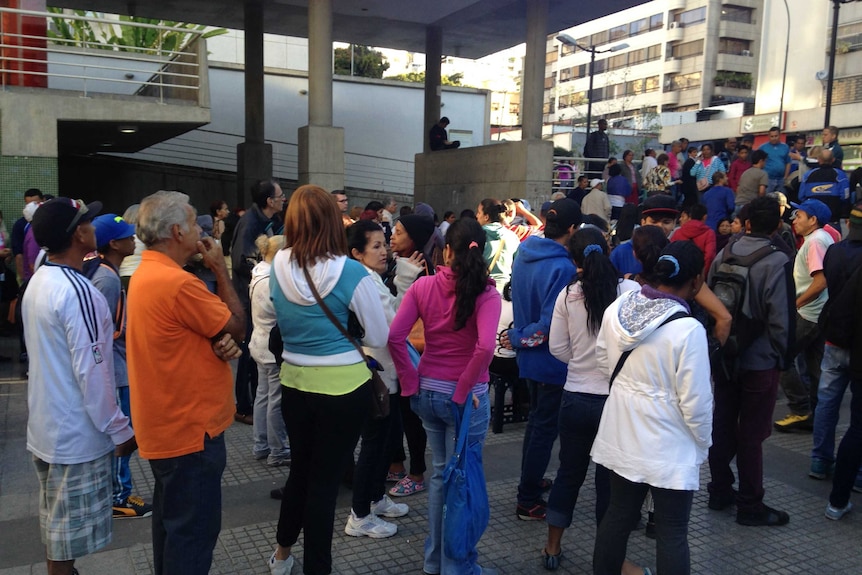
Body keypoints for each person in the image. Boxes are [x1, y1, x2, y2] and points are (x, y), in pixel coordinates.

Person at [266, 185, 388, 575]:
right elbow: (378, 337)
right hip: (343, 389)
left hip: (294, 384)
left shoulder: (278, 264)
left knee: (300, 470)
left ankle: (282, 556)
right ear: (333, 222)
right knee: (324, 482)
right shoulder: (352, 272)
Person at [127, 191, 244, 575]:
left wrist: (217, 341)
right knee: (192, 537)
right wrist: (220, 269)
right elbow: (237, 324)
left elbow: (197, 334)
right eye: (195, 224)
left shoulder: (148, 273)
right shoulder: (180, 284)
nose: (201, 231)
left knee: (172, 530)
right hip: (192, 433)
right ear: (177, 232)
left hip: (167, 428)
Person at [25, 198, 138, 575]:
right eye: (87, 221)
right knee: (64, 544)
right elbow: (94, 370)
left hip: (47, 426)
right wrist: (119, 428)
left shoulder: (40, 278)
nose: (94, 226)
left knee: (57, 533)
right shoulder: (80, 291)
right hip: (75, 435)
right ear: (78, 234)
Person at [388, 217, 502, 575]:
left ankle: (434, 562)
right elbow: (485, 348)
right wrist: (465, 390)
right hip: (466, 401)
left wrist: (409, 382)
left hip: (427, 393)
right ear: (481, 251)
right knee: (462, 480)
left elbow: (394, 338)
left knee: (440, 476)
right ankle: (457, 566)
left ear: (446, 250)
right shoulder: (487, 292)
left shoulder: (423, 288)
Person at [592, 241, 713, 575]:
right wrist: (703, 443)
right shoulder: (689, 330)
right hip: (670, 444)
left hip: (622, 432)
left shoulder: (618, 308)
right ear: (697, 280)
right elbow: (696, 403)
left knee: (617, 516)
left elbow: (603, 361)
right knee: (672, 531)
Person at [542, 227, 641, 571]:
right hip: (613, 401)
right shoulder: (629, 291)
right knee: (608, 485)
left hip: (575, 399)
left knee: (568, 473)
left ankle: (552, 547)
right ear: (609, 250)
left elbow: (557, 347)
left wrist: (581, 365)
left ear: (574, 260)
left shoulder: (567, 295)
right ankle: (609, 557)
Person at [707, 196, 795, 527]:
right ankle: (750, 504)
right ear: (777, 226)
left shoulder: (724, 253)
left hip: (725, 353)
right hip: (759, 360)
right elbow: (781, 318)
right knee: (752, 434)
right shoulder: (777, 261)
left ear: (745, 223)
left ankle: (718, 489)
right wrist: (783, 357)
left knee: (723, 423)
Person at [505, 199, 582, 521]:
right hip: (551, 360)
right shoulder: (563, 267)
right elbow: (552, 325)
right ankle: (528, 499)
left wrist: (517, 338)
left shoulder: (524, 252)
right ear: (573, 229)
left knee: (537, 425)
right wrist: (519, 338)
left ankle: (531, 483)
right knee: (543, 429)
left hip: (528, 358)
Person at [344, 220, 409, 539]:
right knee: (374, 443)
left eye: (385, 244)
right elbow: (389, 328)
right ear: (357, 253)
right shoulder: (364, 282)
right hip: (376, 374)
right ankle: (359, 514)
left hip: (385, 371)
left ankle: (374, 498)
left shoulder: (371, 278)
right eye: (376, 246)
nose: (384, 250)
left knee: (386, 440)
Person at [89, 213, 153, 519]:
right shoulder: (108, 279)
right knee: (121, 433)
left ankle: (118, 490)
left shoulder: (107, 272)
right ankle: (118, 496)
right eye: (128, 236)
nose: (134, 239)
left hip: (116, 366)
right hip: (115, 369)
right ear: (113, 244)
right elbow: (101, 332)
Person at [811, 201, 862, 482]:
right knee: (858, 412)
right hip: (858, 344)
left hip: (833, 337)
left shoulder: (835, 251)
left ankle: (820, 459)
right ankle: (856, 471)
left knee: (827, 401)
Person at [774, 199, 835, 432]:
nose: (794, 220)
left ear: (813, 220)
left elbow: (820, 281)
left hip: (808, 314)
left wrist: (795, 304)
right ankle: (818, 412)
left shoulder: (816, 241)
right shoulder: (818, 239)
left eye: (799, 215)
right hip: (818, 313)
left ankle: (800, 409)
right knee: (814, 363)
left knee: (781, 356)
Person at [231, 179, 286, 426]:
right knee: (247, 353)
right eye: (280, 195)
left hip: (259, 295)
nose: (284, 198)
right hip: (250, 297)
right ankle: (242, 406)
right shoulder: (251, 223)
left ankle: (254, 405)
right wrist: (264, 273)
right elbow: (240, 261)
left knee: (257, 359)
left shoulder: (269, 220)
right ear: (269, 201)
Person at [249, 234, 291, 467]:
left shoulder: (257, 273)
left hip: (258, 342)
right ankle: (278, 450)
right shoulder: (271, 279)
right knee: (275, 399)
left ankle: (261, 445)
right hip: (271, 347)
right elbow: (280, 312)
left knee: (263, 396)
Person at [797, 148, 850, 228]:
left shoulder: (808, 175)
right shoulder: (840, 175)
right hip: (833, 219)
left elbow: (801, 196)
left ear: (818, 160)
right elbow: (845, 196)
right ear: (833, 160)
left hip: (814, 221)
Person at [477, 198, 521, 293]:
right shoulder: (512, 236)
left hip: (482, 288)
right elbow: (518, 266)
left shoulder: (477, 235)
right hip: (505, 290)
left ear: (486, 217)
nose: (477, 216)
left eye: (479, 212)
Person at [672, 203, 717, 276]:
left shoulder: (678, 232)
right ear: (705, 217)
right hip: (698, 273)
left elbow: (671, 252)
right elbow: (709, 256)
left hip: (679, 273)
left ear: (690, 216)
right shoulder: (709, 233)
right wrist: (702, 275)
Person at [758, 127, 791, 194]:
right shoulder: (763, 147)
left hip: (781, 179)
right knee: (767, 200)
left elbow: (788, 162)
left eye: (776, 136)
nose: (774, 138)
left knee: (781, 200)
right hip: (767, 179)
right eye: (772, 136)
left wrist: (786, 176)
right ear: (768, 136)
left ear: (780, 135)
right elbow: (758, 163)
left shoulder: (785, 147)